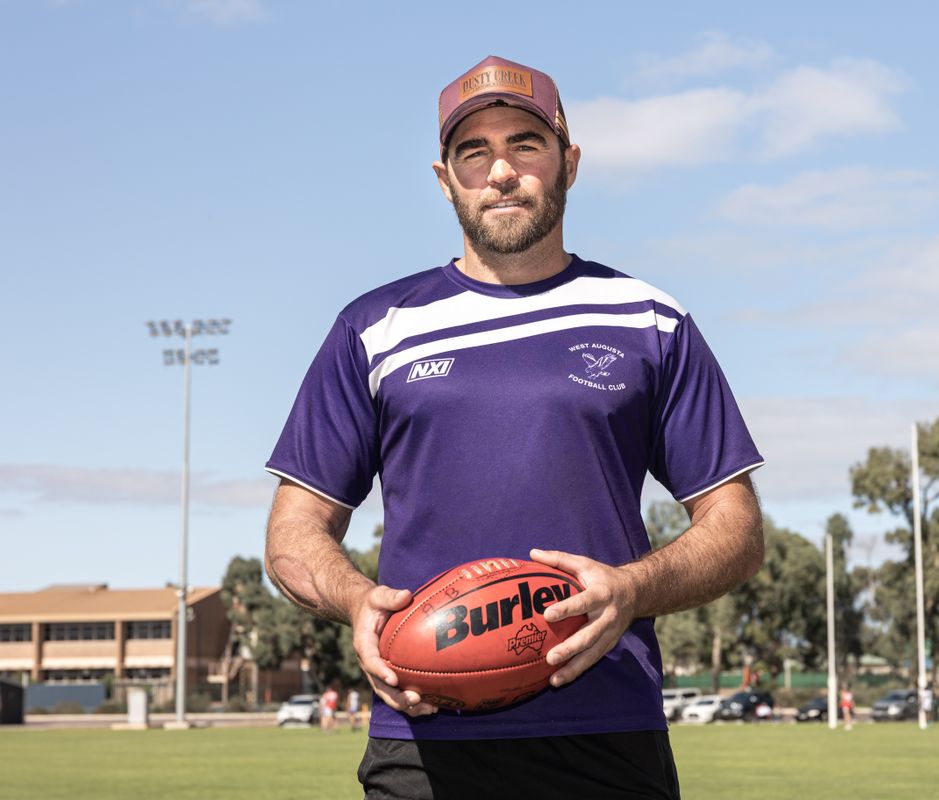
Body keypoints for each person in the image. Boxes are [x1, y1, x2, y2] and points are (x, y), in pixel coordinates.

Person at [264, 54, 765, 799]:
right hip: (423, 734)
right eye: (474, 152)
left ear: (569, 163)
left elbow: (737, 527)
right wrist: (355, 600)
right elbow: (292, 532)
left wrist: (632, 588)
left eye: (525, 145)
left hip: (606, 732)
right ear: (446, 180)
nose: (500, 172)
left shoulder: (649, 321)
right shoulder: (374, 328)